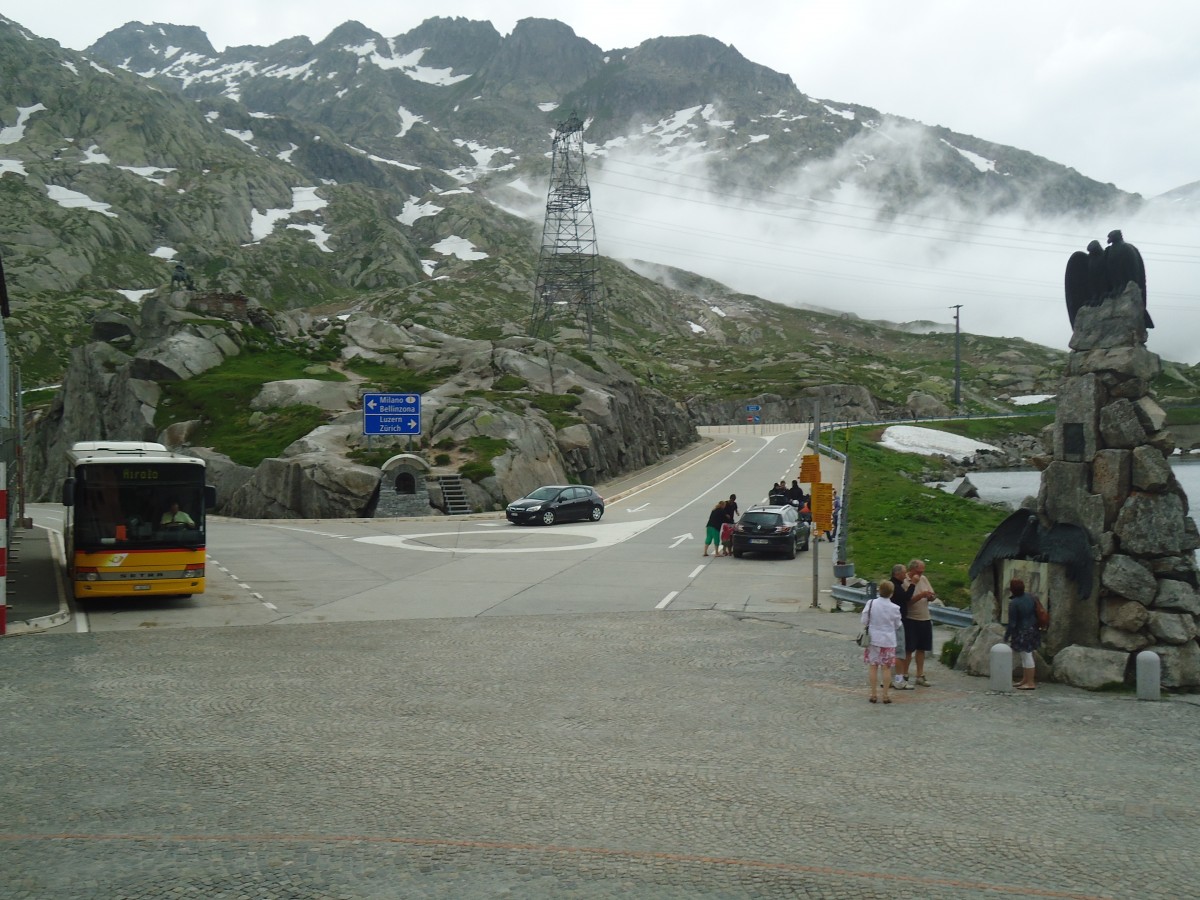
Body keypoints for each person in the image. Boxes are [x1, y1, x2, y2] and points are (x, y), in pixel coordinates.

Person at [861, 580, 903, 704]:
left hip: (873, 639)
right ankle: (885, 695)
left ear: (879, 590)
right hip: (888, 640)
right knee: (886, 668)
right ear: (891, 593)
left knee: (873, 666)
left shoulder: (871, 603)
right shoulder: (895, 608)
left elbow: (864, 620)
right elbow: (897, 624)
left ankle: (873, 694)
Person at [1004, 578, 1042, 690]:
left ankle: (1030, 682)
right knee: (1025, 655)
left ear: (1012, 589)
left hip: (1022, 632)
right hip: (1033, 628)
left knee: (1027, 655)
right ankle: (1025, 679)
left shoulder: (1014, 603)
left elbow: (1012, 623)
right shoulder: (1031, 597)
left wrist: (1007, 636)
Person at [903, 558, 935, 686]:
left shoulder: (924, 579)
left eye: (922, 571)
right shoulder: (904, 581)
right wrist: (921, 595)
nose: (921, 574)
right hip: (911, 618)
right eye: (918, 571)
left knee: (922, 648)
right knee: (909, 649)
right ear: (912, 569)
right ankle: (904, 674)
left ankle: (920, 675)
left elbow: (932, 594)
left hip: (925, 617)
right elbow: (907, 601)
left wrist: (931, 596)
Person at [889, 563, 913, 690]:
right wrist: (913, 584)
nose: (905, 575)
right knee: (899, 652)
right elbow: (906, 598)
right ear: (897, 574)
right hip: (898, 623)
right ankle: (899, 679)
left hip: (885, 628)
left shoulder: (874, 604)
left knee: (888, 653)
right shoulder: (896, 587)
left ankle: (887, 679)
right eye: (904, 573)